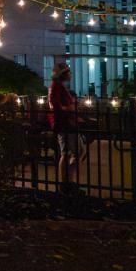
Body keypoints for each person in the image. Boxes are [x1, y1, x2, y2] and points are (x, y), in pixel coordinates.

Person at [48, 63, 81, 194]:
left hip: (68, 123)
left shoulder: (59, 87)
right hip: (64, 124)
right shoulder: (56, 87)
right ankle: (65, 182)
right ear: (63, 74)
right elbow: (56, 106)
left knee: (75, 152)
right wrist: (69, 108)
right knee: (67, 153)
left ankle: (68, 181)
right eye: (68, 72)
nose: (71, 74)